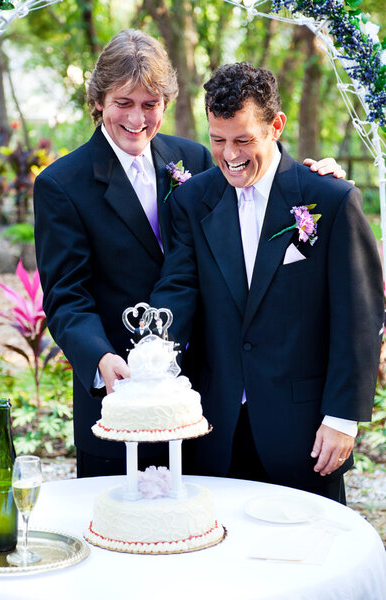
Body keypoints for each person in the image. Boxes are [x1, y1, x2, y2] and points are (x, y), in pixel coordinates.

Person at [34, 30, 347, 479]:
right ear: (99, 100)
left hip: (202, 400)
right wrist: (102, 360)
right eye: (124, 102)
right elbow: (66, 296)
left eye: (151, 103)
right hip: (119, 399)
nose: (137, 118)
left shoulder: (194, 158)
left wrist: (315, 179)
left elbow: (251, 164)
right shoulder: (61, 184)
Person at [150, 63, 384, 503]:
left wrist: (343, 418)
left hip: (306, 433)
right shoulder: (191, 200)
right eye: (217, 140)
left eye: (243, 140)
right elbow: (178, 291)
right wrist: (150, 360)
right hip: (214, 429)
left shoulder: (330, 199)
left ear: (275, 126)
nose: (229, 156)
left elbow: (360, 315)